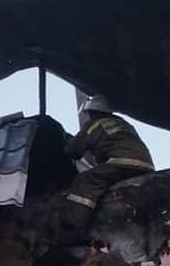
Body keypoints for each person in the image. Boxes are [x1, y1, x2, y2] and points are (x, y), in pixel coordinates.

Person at [60, 95, 155, 237]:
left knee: (85, 181)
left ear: (92, 112)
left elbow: (73, 151)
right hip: (145, 165)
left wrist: (66, 141)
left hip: (122, 162)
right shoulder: (124, 124)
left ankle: (73, 227)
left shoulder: (94, 125)